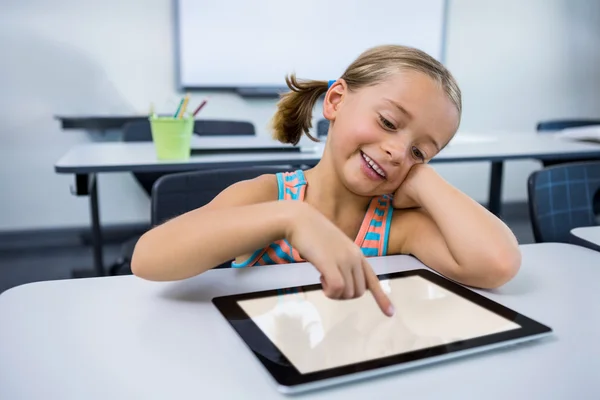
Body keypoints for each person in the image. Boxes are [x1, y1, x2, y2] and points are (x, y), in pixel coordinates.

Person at [131, 45, 521, 317]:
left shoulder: (396, 227)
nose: (398, 152)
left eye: (419, 151)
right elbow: (148, 258)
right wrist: (291, 219)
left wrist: (423, 180)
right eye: (388, 122)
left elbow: (498, 263)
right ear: (335, 101)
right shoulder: (268, 196)